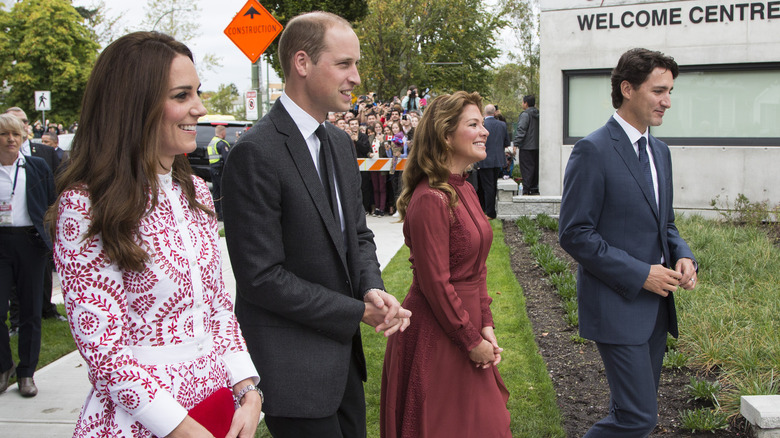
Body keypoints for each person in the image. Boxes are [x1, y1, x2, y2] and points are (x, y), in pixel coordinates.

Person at [48, 32, 262, 437]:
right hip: (141, 421)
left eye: (196, 93)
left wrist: (249, 392)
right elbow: (105, 351)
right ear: (135, 105)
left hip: (218, 403)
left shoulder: (196, 191)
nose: (199, 108)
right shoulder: (87, 205)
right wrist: (184, 429)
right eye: (181, 96)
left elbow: (216, 307)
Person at [221, 12, 410, 438]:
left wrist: (372, 287)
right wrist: (356, 311)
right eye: (344, 64)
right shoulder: (256, 152)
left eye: (355, 65)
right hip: (295, 370)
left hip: (344, 364)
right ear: (302, 63)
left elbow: (357, 235)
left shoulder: (339, 144)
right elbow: (261, 277)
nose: (356, 77)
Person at [558, 48, 698, 437]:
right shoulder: (593, 150)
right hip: (617, 306)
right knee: (638, 418)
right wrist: (641, 275)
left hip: (655, 310)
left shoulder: (660, 151)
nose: (667, 101)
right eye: (659, 91)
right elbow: (574, 234)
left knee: (631, 413)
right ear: (627, 89)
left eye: (670, 91)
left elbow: (663, 223)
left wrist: (683, 255)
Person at [380, 91, 510, 438]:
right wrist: (469, 340)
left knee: (489, 425)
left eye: (484, 124)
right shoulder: (429, 199)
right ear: (445, 134)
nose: (485, 132)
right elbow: (435, 284)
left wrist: (486, 324)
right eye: (474, 125)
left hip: (468, 327)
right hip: (436, 335)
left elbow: (478, 270)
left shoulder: (464, 189)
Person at [0, 114, 56, 397]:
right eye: (4, 135)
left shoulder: (36, 167)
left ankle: (26, 373)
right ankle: (4, 365)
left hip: (30, 243)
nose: (11, 140)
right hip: (1, 243)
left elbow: (49, 203)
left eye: (16, 135)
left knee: (31, 310)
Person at [476, 104, 509, 219]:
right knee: (493, 185)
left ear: (485, 113)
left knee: (486, 186)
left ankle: (489, 212)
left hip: (484, 159)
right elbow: (507, 143)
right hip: (498, 160)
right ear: (494, 113)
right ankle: (490, 210)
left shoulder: (482, 125)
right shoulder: (502, 125)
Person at [514, 94, 540, 195]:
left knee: (526, 169)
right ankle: (534, 189)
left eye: (522, 102)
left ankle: (526, 190)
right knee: (534, 168)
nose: (522, 104)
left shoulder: (525, 115)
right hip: (537, 146)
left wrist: (516, 144)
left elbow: (521, 130)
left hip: (526, 146)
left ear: (526, 103)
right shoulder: (538, 115)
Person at [207, 124, 230, 220]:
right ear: (223, 132)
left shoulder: (211, 142)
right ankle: (224, 214)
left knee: (216, 192)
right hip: (220, 170)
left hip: (213, 169)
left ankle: (217, 214)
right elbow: (227, 159)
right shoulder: (221, 143)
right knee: (224, 191)